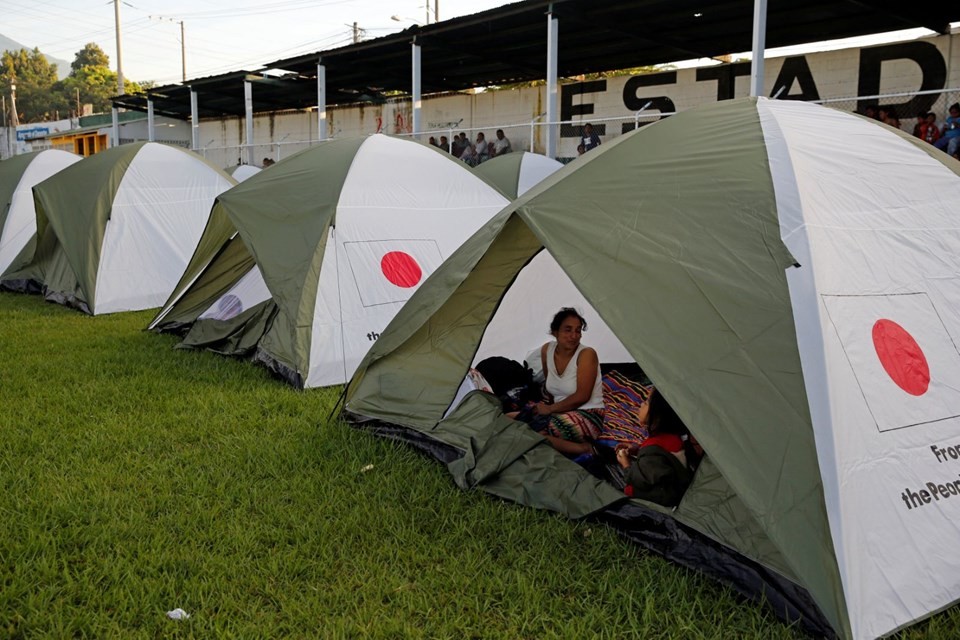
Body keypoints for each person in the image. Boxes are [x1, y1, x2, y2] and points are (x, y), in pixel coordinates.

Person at [513, 308, 604, 457]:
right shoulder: (547, 350)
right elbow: (550, 387)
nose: (574, 336)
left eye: (578, 331)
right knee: (509, 419)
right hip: (559, 410)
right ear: (555, 332)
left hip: (588, 413)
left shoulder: (587, 354)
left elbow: (583, 395)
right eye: (568, 330)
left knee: (531, 432)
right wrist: (542, 408)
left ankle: (585, 449)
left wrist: (550, 410)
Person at [614, 387, 697, 506]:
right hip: (677, 483)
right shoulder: (674, 436)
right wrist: (637, 448)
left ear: (657, 416)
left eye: (646, 402)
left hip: (664, 497)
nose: (641, 404)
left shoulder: (652, 450)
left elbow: (641, 479)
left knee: (630, 488)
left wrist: (626, 464)